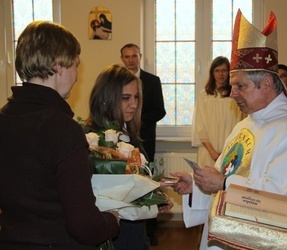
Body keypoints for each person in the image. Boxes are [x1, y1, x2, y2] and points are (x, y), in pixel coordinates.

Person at [171, 10, 287, 250]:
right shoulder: (244, 125)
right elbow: (224, 175)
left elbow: (285, 199)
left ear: (266, 84)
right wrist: (197, 185)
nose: (233, 93)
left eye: (240, 86)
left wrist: (224, 184)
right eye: (232, 86)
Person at [0, 21, 119, 249]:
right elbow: (84, 226)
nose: (76, 76)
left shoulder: (3, 118)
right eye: (75, 66)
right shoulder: (61, 129)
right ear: (58, 66)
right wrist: (113, 221)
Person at [86, 64, 173, 250]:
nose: (134, 104)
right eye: (126, 98)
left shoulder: (132, 136)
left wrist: (157, 196)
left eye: (136, 97)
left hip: (136, 234)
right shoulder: (92, 141)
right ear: (105, 99)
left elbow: (137, 181)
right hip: (113, 236)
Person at [120, 43, 166, 246]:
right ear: (122, 58)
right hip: (122, 137)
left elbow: (160, 110)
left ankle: (150, 229)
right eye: (127, 56)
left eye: (134, 56)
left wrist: (138, 121)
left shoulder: (152, 81)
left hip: (146, 137)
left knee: (148, 180)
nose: (131, 60)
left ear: (140, 56)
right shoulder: (117, 81)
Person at [192, 56, 245, 168]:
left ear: (229, 73)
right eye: (217, 70)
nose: (221, 74)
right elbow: (200, 126)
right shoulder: (204, 95)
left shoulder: (236, 95)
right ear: (212, 73)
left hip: (232, 150)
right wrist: (213, 153)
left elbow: (242, 122)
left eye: (224, 70)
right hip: (208, 151)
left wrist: (231, 151)